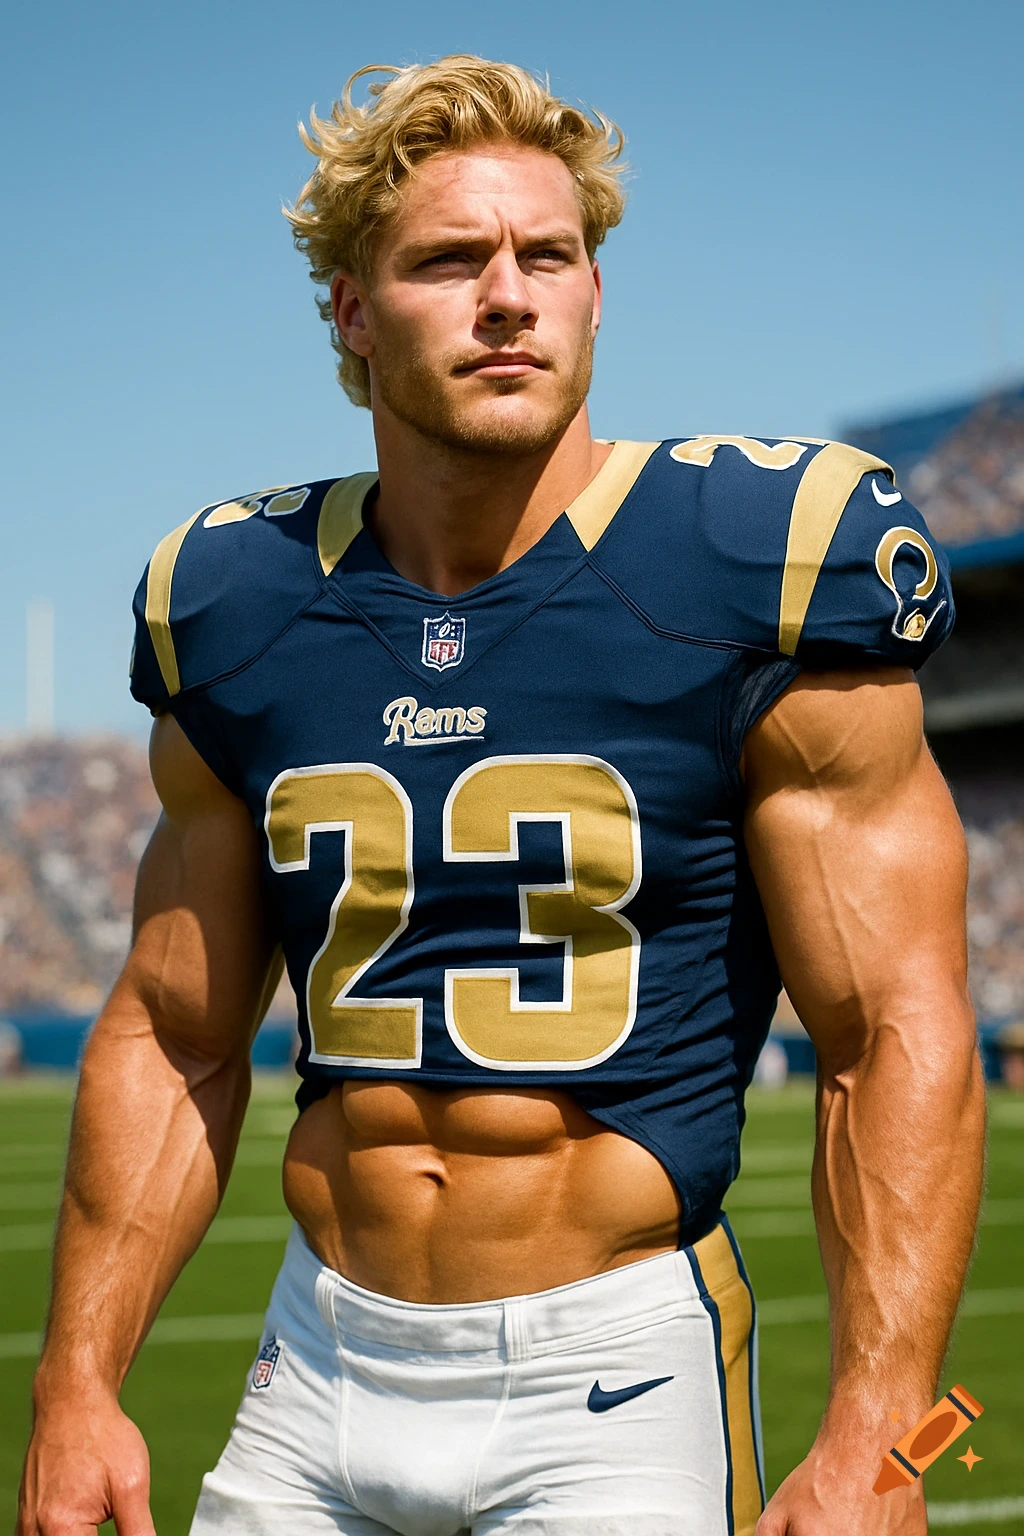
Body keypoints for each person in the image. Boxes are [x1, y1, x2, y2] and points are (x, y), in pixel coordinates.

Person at [18, 55, 985, 1536]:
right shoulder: (238, 601)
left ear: (598, 290)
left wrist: (882, 1432)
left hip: (614, 1371)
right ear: (351, 310)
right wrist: (76, 1386)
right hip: (316, 1354)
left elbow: (894, 1030)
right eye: (451, 260)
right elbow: (176, 1030)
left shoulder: (759, 560)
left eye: (552, 253)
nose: (511, 295)